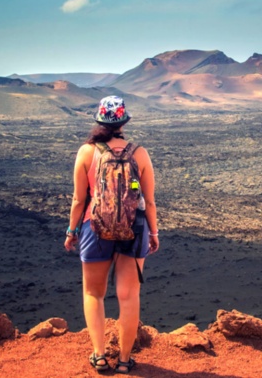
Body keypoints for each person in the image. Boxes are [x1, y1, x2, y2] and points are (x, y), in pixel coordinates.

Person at [64, 96, 159, 374]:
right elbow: (149, 201)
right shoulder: (139, 153)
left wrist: (72, 231)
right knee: (128, 296)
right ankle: (125, 361)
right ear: (124, 121)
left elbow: (78, 200)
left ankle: (100, 356)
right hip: (134, 231)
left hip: (95, 230)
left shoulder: (86, 152)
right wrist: (153, 232)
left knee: (93, 293)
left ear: (98, 121)